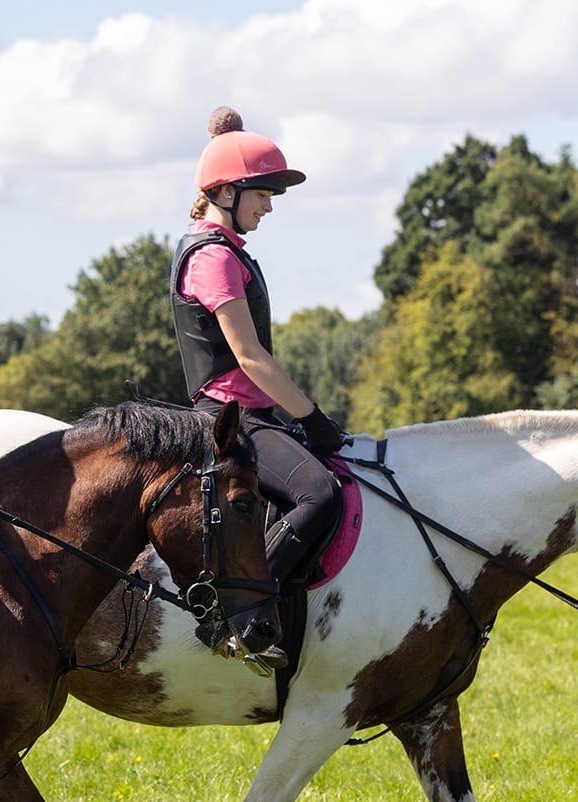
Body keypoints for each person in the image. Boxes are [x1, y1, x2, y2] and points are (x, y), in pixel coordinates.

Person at [170, 107, 344, 662]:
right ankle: (233, 617)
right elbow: (249, 357)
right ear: (225, 192)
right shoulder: (213, 258)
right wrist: (313, 418)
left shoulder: (226, 253)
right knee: (320, 495)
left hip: (251, 414)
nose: (269, 206)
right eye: (262, 195)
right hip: (228, 417)